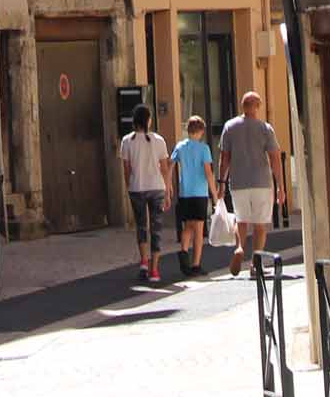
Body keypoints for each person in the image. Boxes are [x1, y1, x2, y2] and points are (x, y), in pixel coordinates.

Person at [216, 89, 283, 276]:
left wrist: (221, 183)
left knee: (241, 219)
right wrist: (280, 186)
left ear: (242, 106)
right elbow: (275, 158)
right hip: (261, 182)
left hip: (238, 182)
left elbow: (224, 158)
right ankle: (256, 263)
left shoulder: (229, 127)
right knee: (260, 225)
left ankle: (239, 247)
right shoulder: (265, 128)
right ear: (258, 107)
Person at [118, 102, 170, 282]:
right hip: (156, 187)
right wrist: (169, 190)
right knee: (156, 228)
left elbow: (126, 169)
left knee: (141, 226)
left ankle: (143, 261)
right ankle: (154, 270)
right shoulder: (158, 140)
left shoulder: (127, 141)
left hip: (137, 188)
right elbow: (164, 168)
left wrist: (128, 186)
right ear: (148, 120)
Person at [169, 114, 216, 276]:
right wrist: (215, 194)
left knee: (187, 225)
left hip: (185, 192)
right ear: (201, 131)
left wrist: (168, 185)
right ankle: (196, 264)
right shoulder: (204, 149)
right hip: (199, 192)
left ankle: (183, 253)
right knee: (199, 229)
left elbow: (170, 164)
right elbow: (208, 172)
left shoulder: (180, 146)